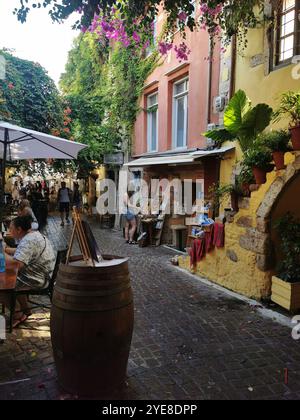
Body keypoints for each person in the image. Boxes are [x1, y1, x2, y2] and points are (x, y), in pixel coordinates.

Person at [2, 215, 56, 327]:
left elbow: (16, 264)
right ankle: (26, 310)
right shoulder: (34, 235)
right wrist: (7, 250)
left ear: (19, 229)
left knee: (2, 285)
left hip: (37, 279)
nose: (9, 231)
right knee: (11, 276)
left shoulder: (28, 241)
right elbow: (24, 252)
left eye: (11, 228)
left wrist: (2, 253)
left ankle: (17, 314)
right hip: (43, 275)